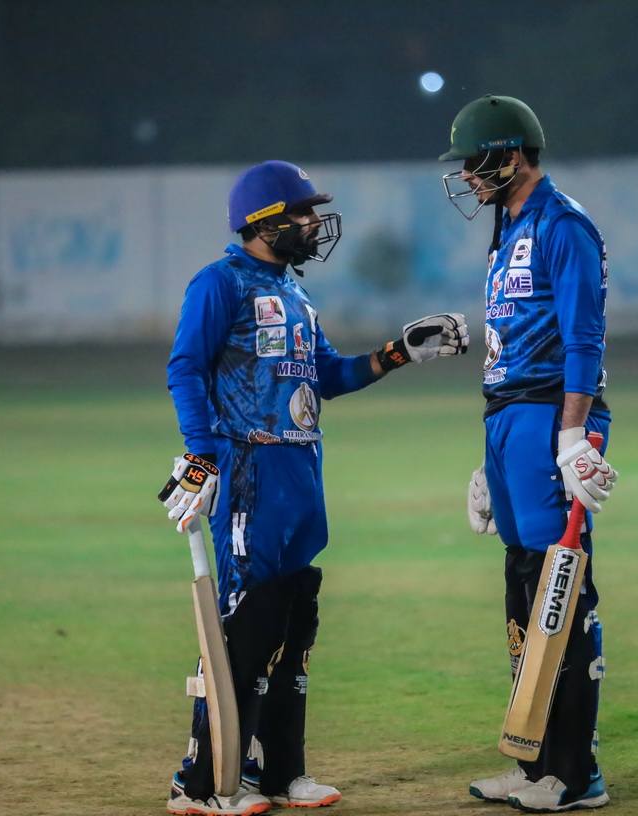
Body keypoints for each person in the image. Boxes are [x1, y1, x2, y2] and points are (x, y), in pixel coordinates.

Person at [158, 159, 469, 816]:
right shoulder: (219, 283)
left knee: (294, 623)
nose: (313, 223)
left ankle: (280, 772)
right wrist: (202, 456)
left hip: (301, 472)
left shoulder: (295, 294)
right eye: (301, 212)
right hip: (250, 469)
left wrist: (397, 353)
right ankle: (203, 781)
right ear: (263, 222)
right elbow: (185, 368)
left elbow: (326, 377)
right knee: (245, 626)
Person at [442, 95, 619, 812]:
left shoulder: (562, 224)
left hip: (551, 416)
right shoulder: (508, 226)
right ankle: (533, 758)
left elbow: (584, 339)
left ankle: (576, 774)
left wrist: (572, 436)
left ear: (512, 154)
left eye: (475, 160)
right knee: (523, 586)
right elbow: (508, 348)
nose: (466, 175)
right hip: (510, 421)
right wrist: (491, 461)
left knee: (559, 591)